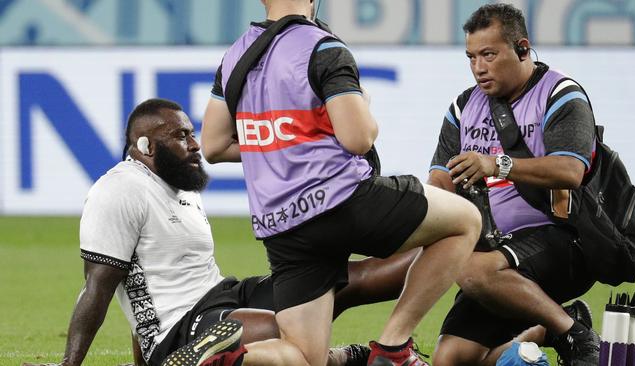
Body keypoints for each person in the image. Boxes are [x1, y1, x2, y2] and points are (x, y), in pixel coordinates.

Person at [24, 98, 420, 366]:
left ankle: (453, 254)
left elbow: (153, 282)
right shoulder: (119, 190)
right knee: (274, 328)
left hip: (223, 295)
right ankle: (346, 358)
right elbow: (101, 287)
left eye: (192, 133)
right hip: (181, 331)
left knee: (339, 282)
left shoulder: (179, 187)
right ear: (144, 146)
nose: (196, 145)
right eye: (180, 136)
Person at [200, 0, 482, 365]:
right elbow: (358, 138)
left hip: (282, 225)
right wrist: (363, 106)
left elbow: (214, 145)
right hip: (342, 200)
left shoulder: (235, 55)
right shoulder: (322, 47)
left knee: (304, 356)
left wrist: (282, 146)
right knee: (465, 222)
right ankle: (393, 347)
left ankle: (227, 359)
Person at [427, 3, 601, 366]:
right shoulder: (463, 107)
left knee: (470, 270)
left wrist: (497, 163)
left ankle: (576, 337)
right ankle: (547, 329)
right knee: (450, 359)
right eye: (471, 57)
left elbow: (570, 171)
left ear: (522, 48)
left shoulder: (560, 93)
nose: (478, 67)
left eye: (489, 54)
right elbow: (441, 177)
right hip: (492, 248)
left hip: (561, 238)